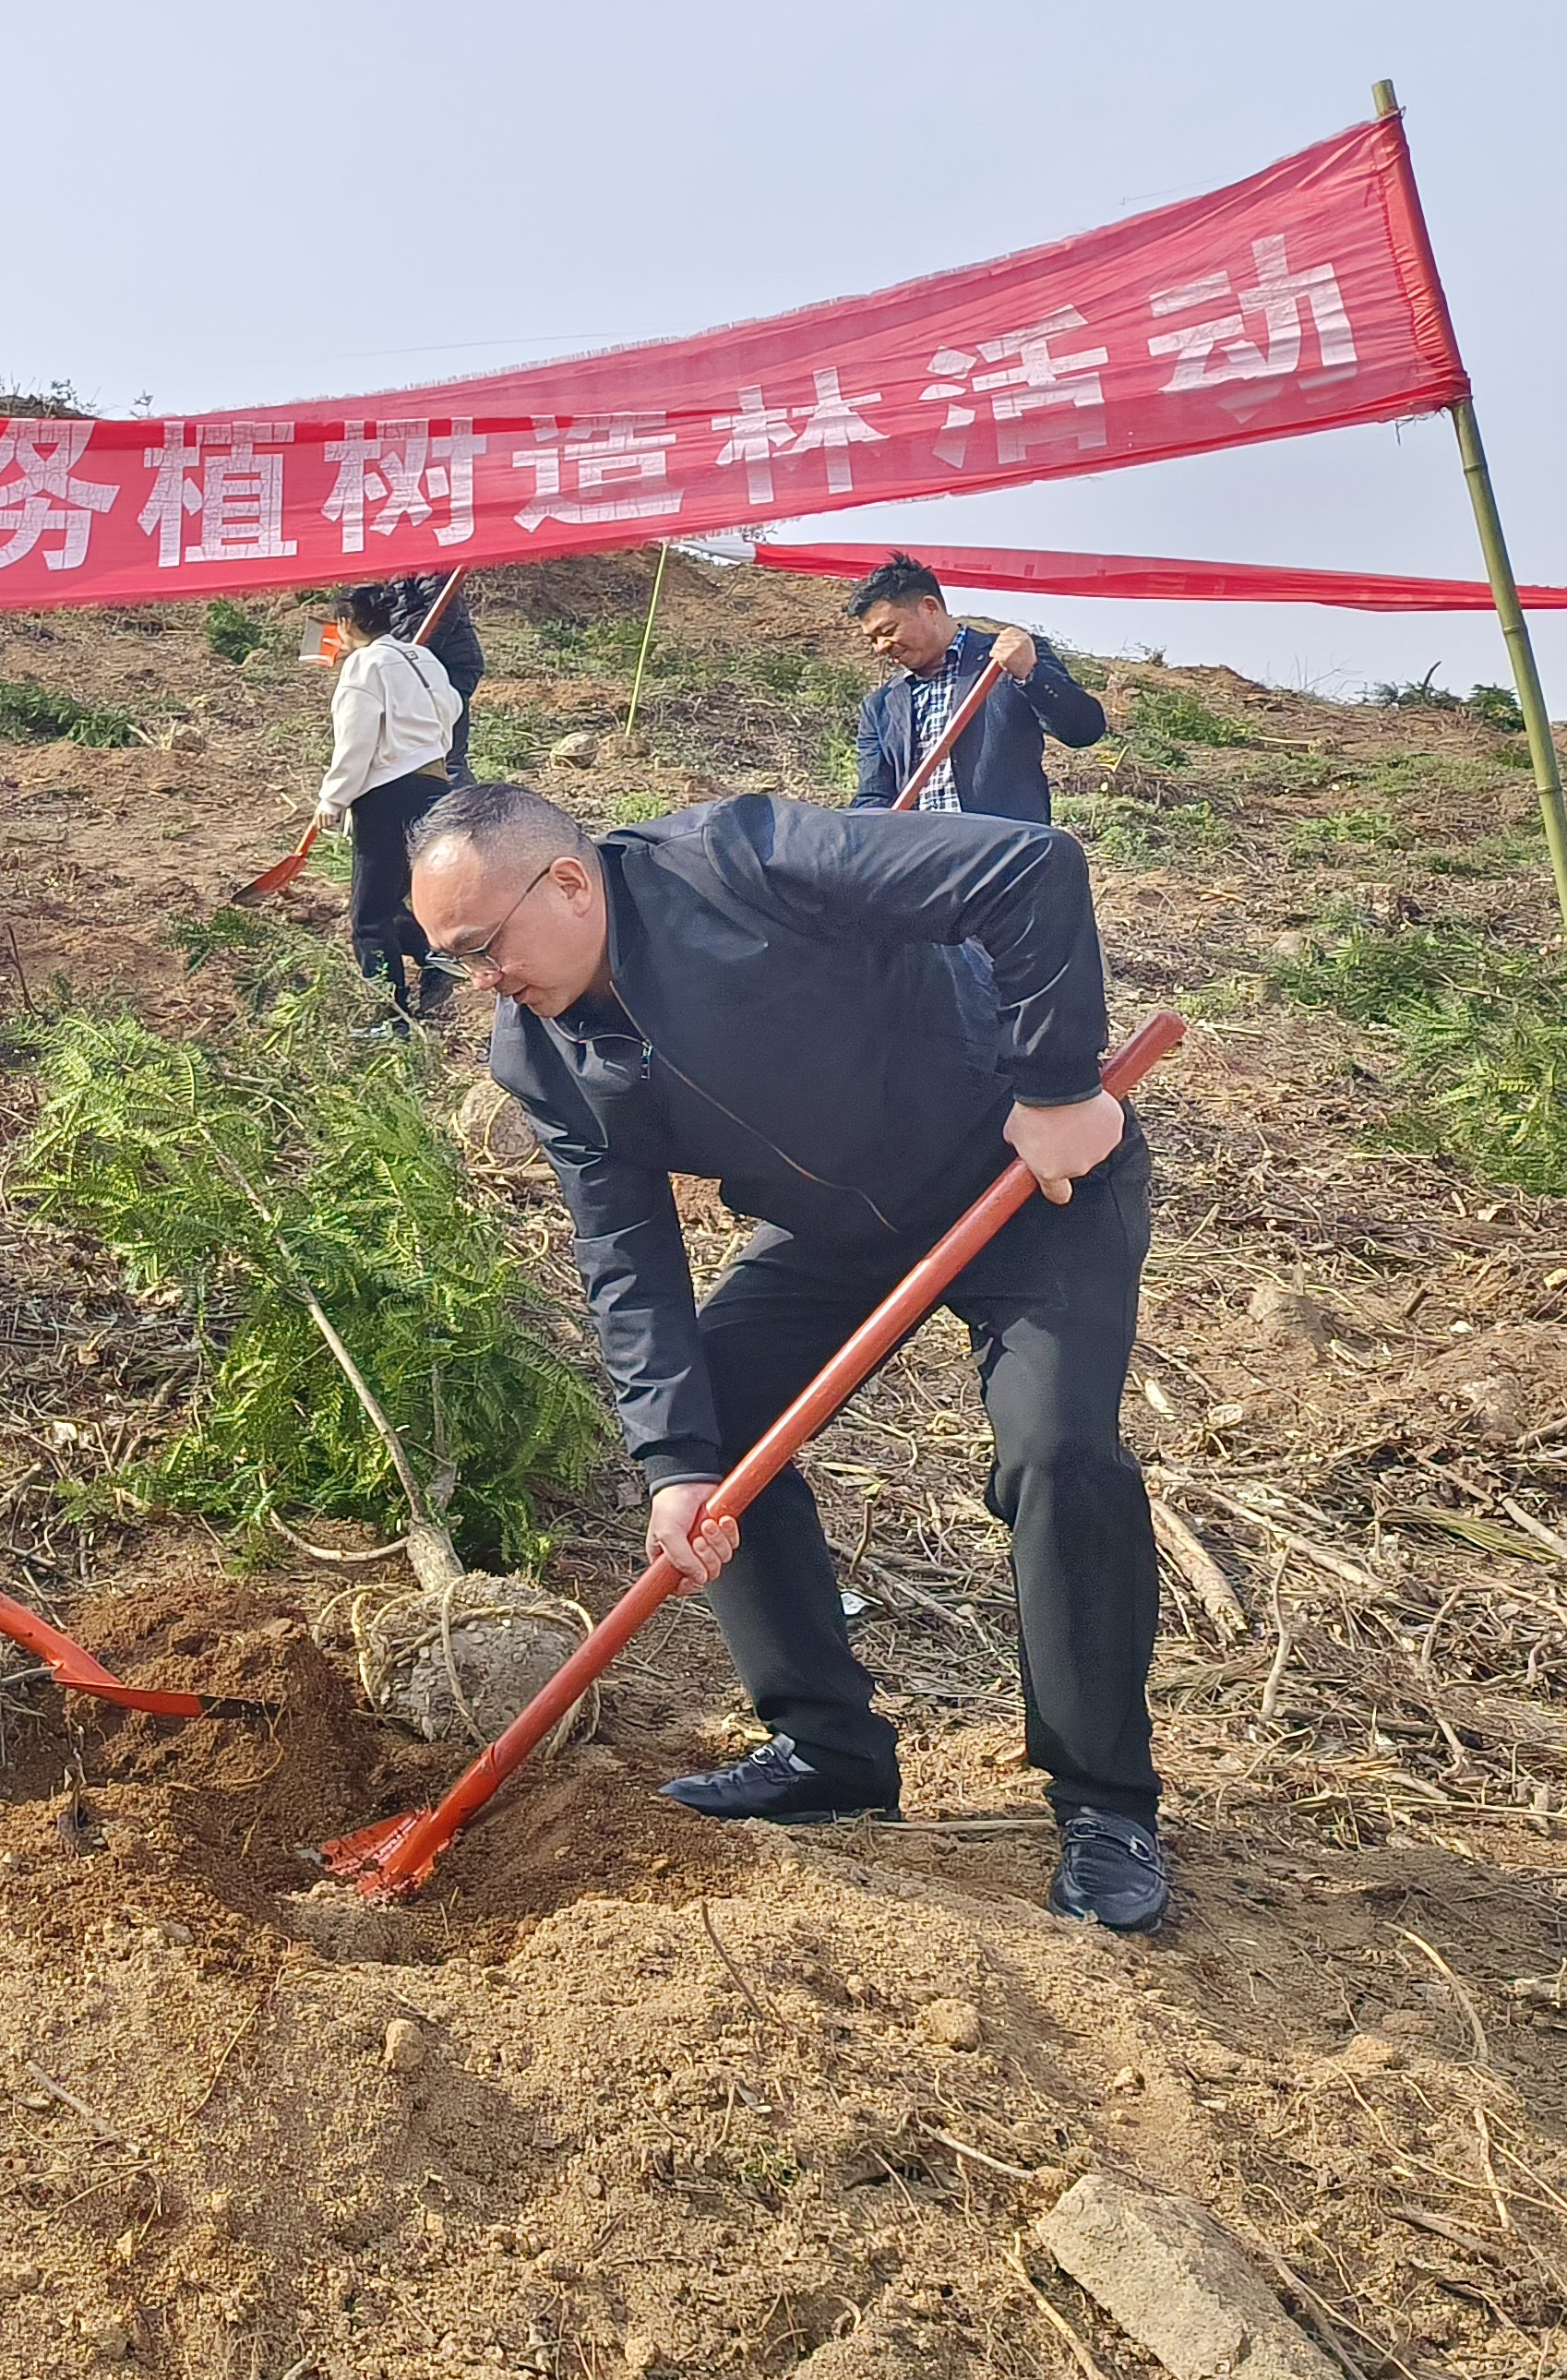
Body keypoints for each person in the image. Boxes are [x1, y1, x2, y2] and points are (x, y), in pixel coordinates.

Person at [406, 780, 1167, 1932]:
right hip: (840, 1228)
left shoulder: (735, 862)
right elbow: (627, 1260)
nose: (484, 981)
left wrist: (1055, 1084)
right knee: (716, 1425)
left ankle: (1105, 1804)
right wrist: (673, 1464)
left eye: (483, 946)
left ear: (566, 883)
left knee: (1058, 1456)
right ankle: (827, 1750)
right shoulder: (542, 1057)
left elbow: (1027, 869)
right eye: (458, 962)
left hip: (1031, 1178)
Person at [847, 553, 1107, 821]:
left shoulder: (1008, 660)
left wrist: (1030, 673)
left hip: (1003, 851)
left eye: (888, 630)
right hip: (921, 856)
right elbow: (873, 796)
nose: (880, 648)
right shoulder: (880, 706)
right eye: (873, 639)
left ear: (930, 608)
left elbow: (1084, 730)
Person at [314, 580, 465, 1010]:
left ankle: (388, 1014)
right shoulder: (424, 658)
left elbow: (356, 741)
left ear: (345, 623)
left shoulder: (364, 666)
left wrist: (333, 799)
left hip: (388, 793)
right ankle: (435, 957)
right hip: (435, 788)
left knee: (369, 915)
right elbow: (452, 708)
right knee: (394, 895)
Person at [377, 571, 485, 776]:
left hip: (449, 664)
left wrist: (415, 658)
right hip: (421, 665)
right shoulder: (392, 574)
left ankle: (461, 804)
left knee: (449, 754)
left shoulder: (430, 567)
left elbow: (442, 612)